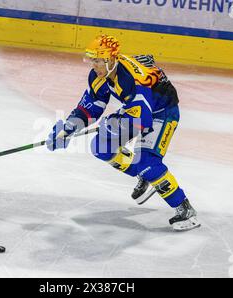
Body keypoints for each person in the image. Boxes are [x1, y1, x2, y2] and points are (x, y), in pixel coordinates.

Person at [46, 35, 200, 231]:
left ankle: (184, 208)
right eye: (91, 59)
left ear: (110, 60)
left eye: (97, 60)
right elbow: (91, 107)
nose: (93, 65)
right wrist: (69, 127)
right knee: (101, 147)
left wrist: (113, 126)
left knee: (147, 163)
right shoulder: (99, 76)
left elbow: (142, 120)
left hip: (162, 113)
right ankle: (148, 176)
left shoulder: (131, 80)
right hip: (138, 109)